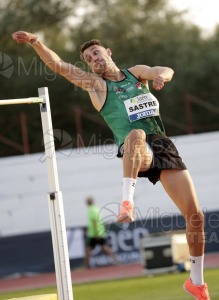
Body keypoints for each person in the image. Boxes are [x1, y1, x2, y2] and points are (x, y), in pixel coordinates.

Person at [12, 31, 210, 299]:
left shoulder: (136, 74)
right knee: (136, 135)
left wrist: (163, 76)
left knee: (195, 217)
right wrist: (37, 42)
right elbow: (59, 66)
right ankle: (127, 202)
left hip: (162, 146)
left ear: (108, 52)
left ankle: (196, 282)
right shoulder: (97, 86)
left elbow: (162, 69)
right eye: (87, 58)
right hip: (134, 150)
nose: (93, 59)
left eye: (95, 53)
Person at [84, 197, 117, 268]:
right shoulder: (96, 209)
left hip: (94, 234)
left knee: (88, 249)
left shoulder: (91, 210)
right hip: (100, 232)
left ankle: (86, 267)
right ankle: (115, 260)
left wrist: (96, 233)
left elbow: (94, 222)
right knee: (105, 247)